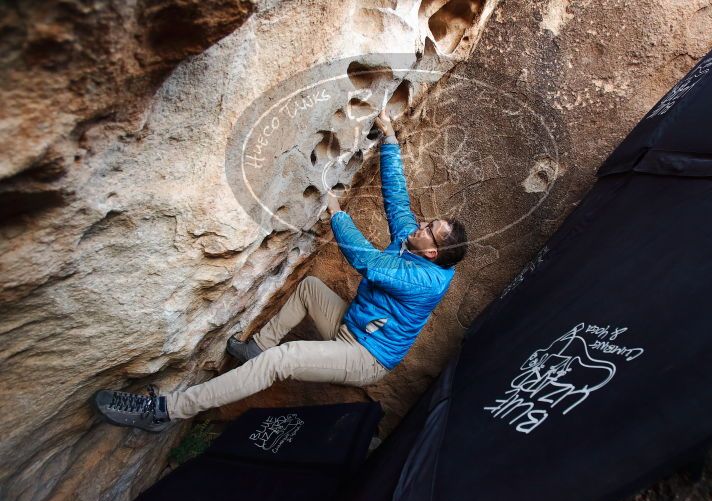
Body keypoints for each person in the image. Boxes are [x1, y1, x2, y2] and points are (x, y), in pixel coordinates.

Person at [93, 110, 469, 432]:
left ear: (433, 252)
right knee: (309, 288)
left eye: (427, 230)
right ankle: (256, 351)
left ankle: (166, 412)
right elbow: (398, 198)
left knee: (283, 361)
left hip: (366, 356)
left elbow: (368, 263)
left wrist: (338, 213)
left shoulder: (426, 281)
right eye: (427, 222)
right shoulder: (415, 243)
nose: (419, 225)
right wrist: (389, 139)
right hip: (351, 324)